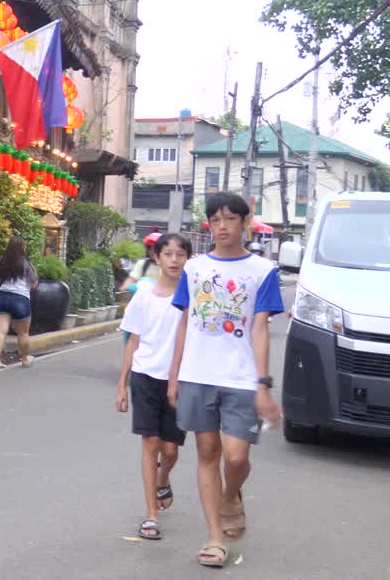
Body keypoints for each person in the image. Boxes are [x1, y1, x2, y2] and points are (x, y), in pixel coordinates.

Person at [167, 192, 284, 568]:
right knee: (207, 453)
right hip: (197, 374)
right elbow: (184, 324)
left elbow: (260, 329)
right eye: (215, 220)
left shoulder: (263, 271)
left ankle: (231, 495)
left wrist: (263, 384)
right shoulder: (194, 269)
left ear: (245, 223)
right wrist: (174, 376)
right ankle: (215, 538)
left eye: (230, 219)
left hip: (241, 378)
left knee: (236, 458)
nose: (222, 227)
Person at [116, 233, 192, 541]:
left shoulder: (192, 297)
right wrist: (122, 385)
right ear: (157, 258)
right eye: (168, 254)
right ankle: (151, 515)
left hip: (179, 381)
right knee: (150, 443)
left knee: (170, 451)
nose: (174, 260)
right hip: (145, 376)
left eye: (180, 254)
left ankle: (163, 476)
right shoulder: (144, 296)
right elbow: (132, 341)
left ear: (187, 259)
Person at [0, 236, 38, 369]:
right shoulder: (26, 263)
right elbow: (34, 284)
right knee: (23, 333)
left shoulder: (0, 263)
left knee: (0, 331)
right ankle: (25, 359)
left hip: (1, 298)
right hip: (20, 299)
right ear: (22, 248)